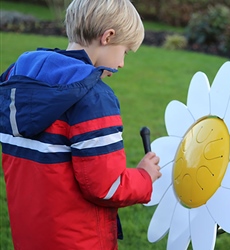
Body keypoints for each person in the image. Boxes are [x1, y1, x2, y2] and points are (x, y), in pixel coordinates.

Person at [0, 0, 161, 249]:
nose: (121, 64)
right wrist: (144, 177)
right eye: (125, 52)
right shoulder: (94, 98)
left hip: (29, 236)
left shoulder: (18, 78)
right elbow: (106, 186)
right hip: (79, 240)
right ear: (108, 37)